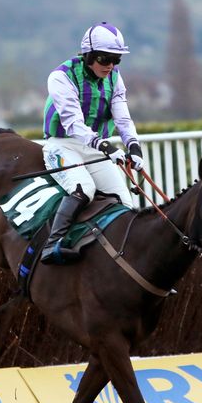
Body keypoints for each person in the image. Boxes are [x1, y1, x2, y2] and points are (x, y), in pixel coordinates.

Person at [40, 21, 144, 264]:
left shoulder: (115, 79)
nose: (110, 66)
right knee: (83, 188)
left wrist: (134, 147)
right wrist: (105, 146)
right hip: (62, 144)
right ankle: (51, 244)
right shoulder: (61, 76)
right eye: (104, 59)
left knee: (124, 201)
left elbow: (123, 118)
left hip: (93, 148)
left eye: (116, 59)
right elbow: (73, 123)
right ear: (88, 55)